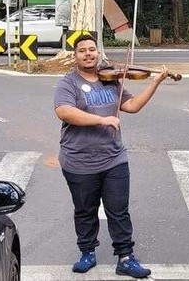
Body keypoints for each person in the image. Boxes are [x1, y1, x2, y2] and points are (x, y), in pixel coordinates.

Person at [54, 34, 170, 279]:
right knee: (85, 210)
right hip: (79, 161)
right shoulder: (68, 83)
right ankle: (87, 253)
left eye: (92, 49)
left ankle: (125, 258)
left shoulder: (111, 80)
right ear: (74, 56)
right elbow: (64, 112)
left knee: (119, 210)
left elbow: (132, 106)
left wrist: (155, 82)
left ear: (99, 53)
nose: (88, 54)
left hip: (114, 158)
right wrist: (102, 119)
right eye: (82, 50)